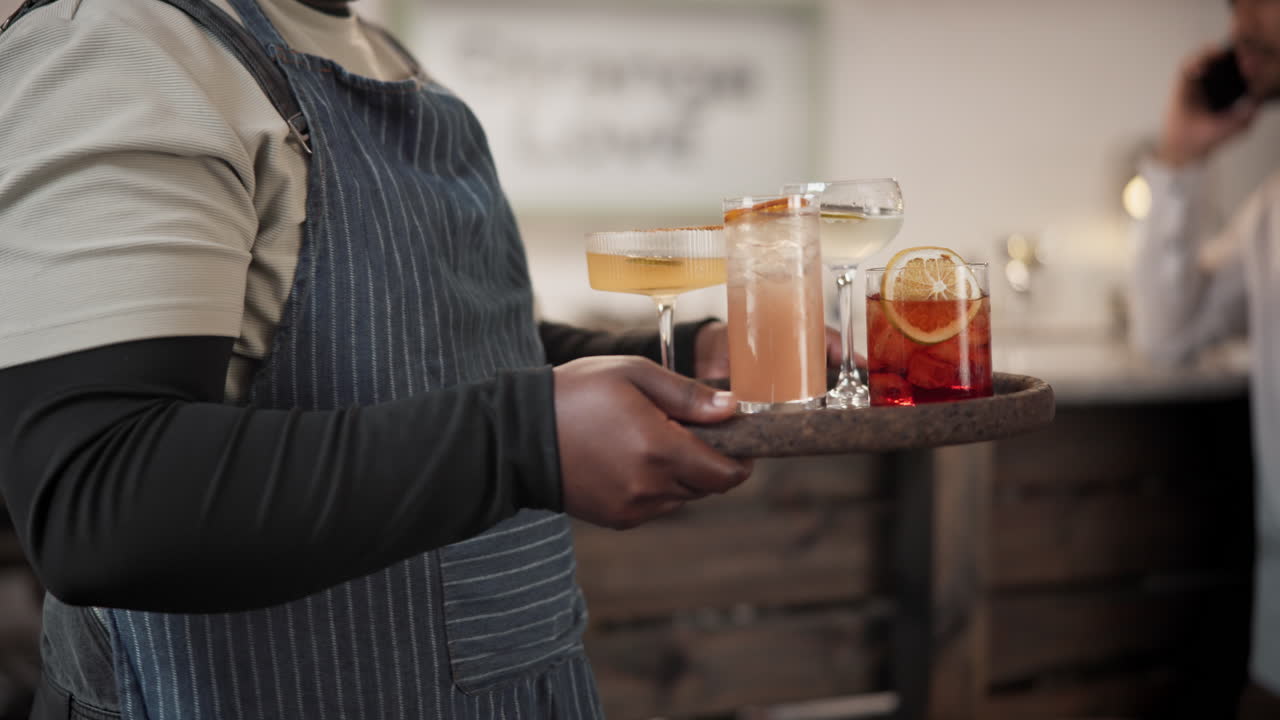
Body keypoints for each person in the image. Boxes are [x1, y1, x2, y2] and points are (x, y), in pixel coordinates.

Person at [0, 0, 837, 717]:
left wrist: (681, 354)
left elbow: (435, 340)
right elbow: (99, 499)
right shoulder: (118, 48)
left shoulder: (370, 48)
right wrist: (518, 442)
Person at [1128, 0, 1280, 717]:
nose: (1240, 43)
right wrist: (1180, 161)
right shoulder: (1274, 211)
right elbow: (1168, 333)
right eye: (1239, 33)